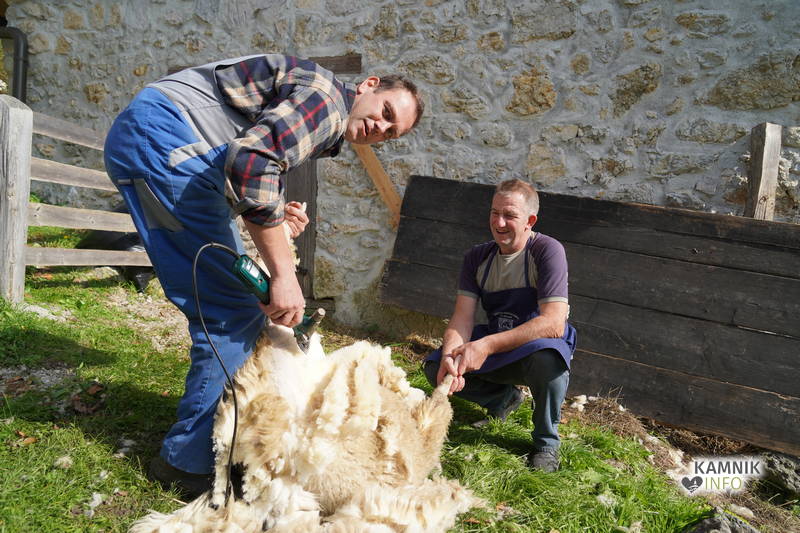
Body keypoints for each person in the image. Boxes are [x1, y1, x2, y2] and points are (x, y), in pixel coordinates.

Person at [103, 54, 423, 496]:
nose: (380, 128)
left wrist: (275, 214)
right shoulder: (328, 100)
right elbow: (251, 162)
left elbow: (251, 157)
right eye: (386, 112)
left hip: (160, 135)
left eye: (390, 133)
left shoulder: (322, 107)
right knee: (231, 310)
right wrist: (284, 274)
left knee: (232, 293)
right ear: (369, 85)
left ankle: (218, 437)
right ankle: (186, 462)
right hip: (167, 140)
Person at [424, 178, 576, 473]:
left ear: (530, 221)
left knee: (549, 360)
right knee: (435, 367)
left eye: (509, 215)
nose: (499, 222)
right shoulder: (477, 257)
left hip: (536, 346)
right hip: (497, 340)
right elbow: (462, 317)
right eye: (495, 213)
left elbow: (554, 323)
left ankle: (546, 442)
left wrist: (485, 346)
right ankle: (504, 399)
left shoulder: (547, 251)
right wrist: (451, 356)